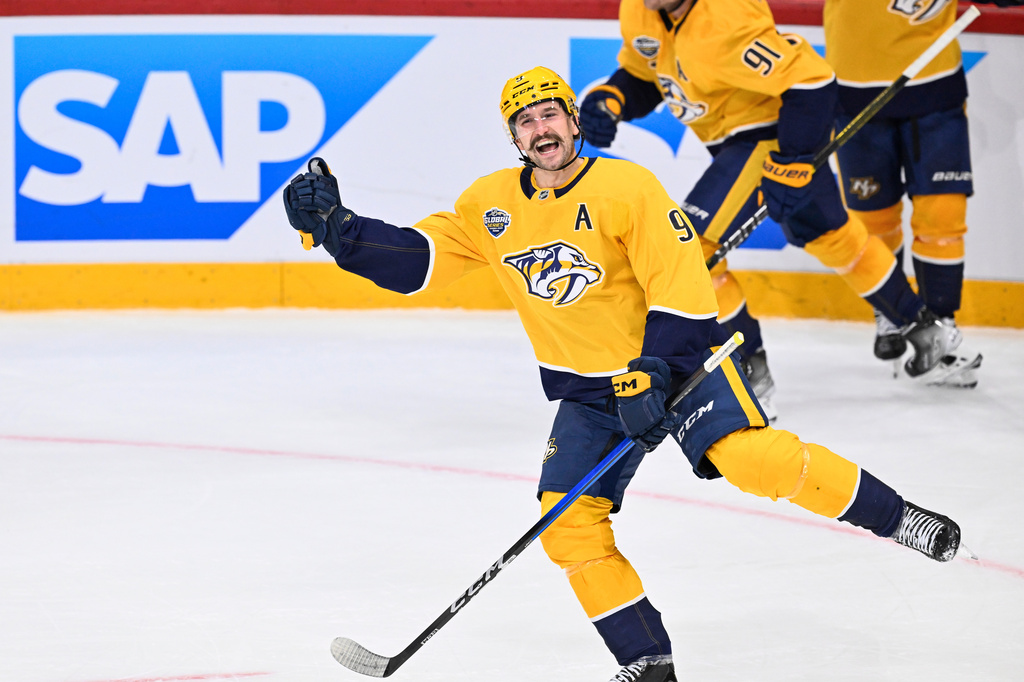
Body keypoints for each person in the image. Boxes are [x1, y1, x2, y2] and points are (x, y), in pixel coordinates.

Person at [283, 66, 965, 682]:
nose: (541, 129)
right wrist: (342, 230)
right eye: (525, 121)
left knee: (754, 460)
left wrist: (653, 371)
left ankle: (898, 518)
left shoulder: (627, 186)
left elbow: (683, 284)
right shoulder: (490, 205)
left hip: (675, 369)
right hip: (587, 391)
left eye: (550, 113)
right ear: (514, 138)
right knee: (568, 523)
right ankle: (647, 662)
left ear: (573, 122)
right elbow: (416, 261)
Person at [577, 0, 982, 419]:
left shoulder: (727, 17)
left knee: (690, 250)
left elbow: (813, 82)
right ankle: (927, 330)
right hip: (757, 142)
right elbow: (649, 73)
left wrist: (793, 160)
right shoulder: (641, 11)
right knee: (834, 238)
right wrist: (614, 98)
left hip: (769, 139)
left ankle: (750, 377)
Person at [822, 0, 1014, 386]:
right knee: (875, 219)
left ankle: (941, 326)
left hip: (935, 88)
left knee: (942, 216)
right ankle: (894, 313)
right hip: (854, 93)